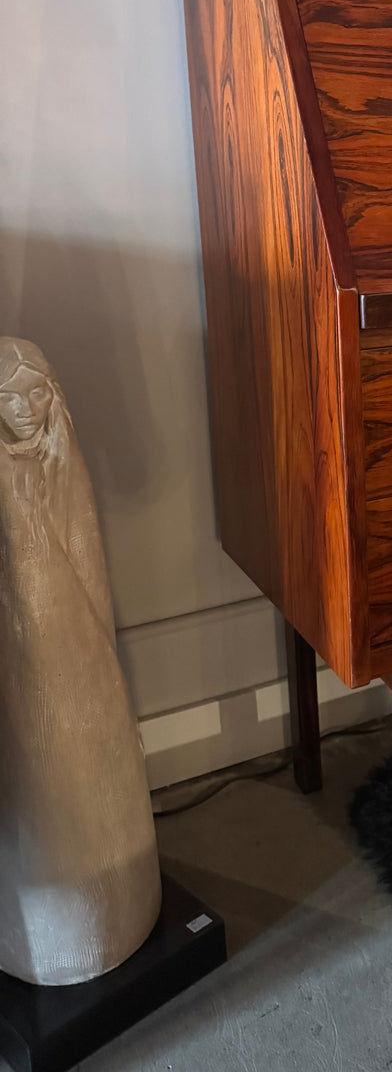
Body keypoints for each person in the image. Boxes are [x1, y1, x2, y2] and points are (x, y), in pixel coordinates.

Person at [0, 338, 160, 985]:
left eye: (38, 398)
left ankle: (122, 897)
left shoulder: (57, 466)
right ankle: (71, 925)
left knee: (91, 743)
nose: (28, 410)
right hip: (31, 650)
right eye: (14, 401)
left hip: (82, 654)